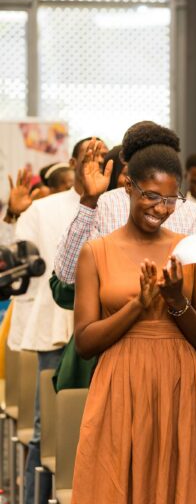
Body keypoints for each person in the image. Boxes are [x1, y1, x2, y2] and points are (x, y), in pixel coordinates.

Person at [71, 122, 196, 503]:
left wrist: (175, 301)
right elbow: (85, 342)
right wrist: (138, 306)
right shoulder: (96, 252)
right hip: (119, 388)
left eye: (171, 200)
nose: (161, 209)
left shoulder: (191, 249)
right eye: (152, 196)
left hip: (179, 388)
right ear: (128, 186)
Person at [7, 137, 97, 504]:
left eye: (102, 157)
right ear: (73, 163)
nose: (95, 163)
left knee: (94, 429)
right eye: (88, 157)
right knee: (47, 431)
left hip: (101, 331)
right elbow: (15, 262)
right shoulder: (42, 210)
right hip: (55, 333)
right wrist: (13, 215)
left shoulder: (116, 206)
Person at [53, 121, 196, 288]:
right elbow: (68, 274)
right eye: (150, 196)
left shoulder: (194, 214)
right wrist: (88, 201)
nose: (161, 209)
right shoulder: (105, 205)